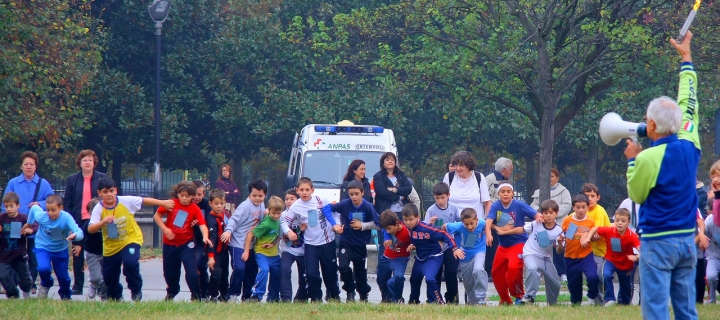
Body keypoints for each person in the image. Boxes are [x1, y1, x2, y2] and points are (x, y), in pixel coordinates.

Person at [624, 31, 699, 319]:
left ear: (652, 124)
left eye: (646, 120)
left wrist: (632, 161)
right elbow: (689, 101)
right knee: (686, 310)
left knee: (655, 310)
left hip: (657, 241)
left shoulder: (647, 157)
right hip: (685, 240)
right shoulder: (691, 144)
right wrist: (686, 59)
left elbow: (637, 195)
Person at [89, 177, 175, 301]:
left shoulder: (126, 201)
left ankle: (136, 290)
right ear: (99, 193)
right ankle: (116, 296)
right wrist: (103, 222)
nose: (109, 194)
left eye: (111, 191)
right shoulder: (98, 208)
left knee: (130, 263)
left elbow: (145, 200)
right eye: (105, 192)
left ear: (116, 191)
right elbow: (91, 229)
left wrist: (163, 203)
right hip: (111, 246)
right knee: (109, 277)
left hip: (130, 239)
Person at [2, 151, 54, 294]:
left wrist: (41, 204)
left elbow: (52, 200)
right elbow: (5, 202)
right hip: (15, 224)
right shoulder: (13, 182)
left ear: (36, 166)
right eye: (26, 164)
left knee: (33, 255)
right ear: (21, 166)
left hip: (34, 225)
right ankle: (11, 283)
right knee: (12, 253)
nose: (29, 167)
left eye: (32, 164)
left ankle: (30, 284)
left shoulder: (43, 183)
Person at [282, 177, 341, 302]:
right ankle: (316, 297)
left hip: (327, 241)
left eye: (307, 190)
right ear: (297, 190)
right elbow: (284, 222)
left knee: (330, 272)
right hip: (310, 245)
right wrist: (289, 231)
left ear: (312, 190)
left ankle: (333, 296)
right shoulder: (295, 206)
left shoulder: (321, 200)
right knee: (311, 273)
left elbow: (335, 212)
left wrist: (337, 224)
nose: (304, 192)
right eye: (301, 190)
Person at [484, 181, 542, 305]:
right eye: (503, 192)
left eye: (508, 192)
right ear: (498, 193)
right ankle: (505, 300)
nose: (505, 194)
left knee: (514, 268)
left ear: (513, 194)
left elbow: (537, 215)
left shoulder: (519, 205)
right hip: (503, 246)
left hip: (518, 243)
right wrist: (488, 233)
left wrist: (540, 220)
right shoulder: (496, 205)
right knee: (496, 273)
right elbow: (489, 220)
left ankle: (519, 296)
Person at [323, 180, 380, 302]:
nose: (354, 197)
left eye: (356, 194)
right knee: (343, 267)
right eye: (351, 194)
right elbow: (327, 209)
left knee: (360, 273)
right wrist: (335, 224)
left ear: (362, 193)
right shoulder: (345, 204)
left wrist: (363, 226)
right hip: (346, 241)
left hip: (360, 244)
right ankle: (350, 290)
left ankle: (363, 294)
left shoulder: (368, 206)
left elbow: (379, 224)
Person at [154, 181, 211, 301]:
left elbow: (202, 225)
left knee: (193, 273)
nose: (184, 198)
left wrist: (205, 236)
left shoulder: (195, 208)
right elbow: (156, 216)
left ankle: (196, 296)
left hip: (187, 245)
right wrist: (165, 229)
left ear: (192, 196)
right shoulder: (171, 204)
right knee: (170, 274)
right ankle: (172, 291)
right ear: (177, 194)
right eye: (182, 195)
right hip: (169, 245)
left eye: (187, 196)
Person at [62, 149, 108, 295]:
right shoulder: (72, 180)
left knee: (98, 251)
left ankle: (101, 283)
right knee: (77, 252)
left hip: (96, 220)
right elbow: (67, 202)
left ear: (94, 162)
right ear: (79, 163)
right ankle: (78, 285)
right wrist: (69, 222)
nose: (87, 162)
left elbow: (107, 198)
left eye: (90, 160)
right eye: (84, 160)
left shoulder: (102, 178)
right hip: (77, 220)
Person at [442, 151, 492, 279]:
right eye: (456, 165)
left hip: (473, 227)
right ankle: (456, 295)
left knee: (471, 262)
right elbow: (443, 199)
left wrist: (487, 227)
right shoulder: (449, 177)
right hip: (456, 226)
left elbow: (487, 203)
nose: (457, 168)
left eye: (461, 165)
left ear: (469, 165)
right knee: (455, 263)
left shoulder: (479, 177)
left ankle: (475, 295)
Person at [22, 195, 83, 299]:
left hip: (60, 249)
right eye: (48, 210)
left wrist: (75, 236)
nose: (50, 213)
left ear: (61, 208)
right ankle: (46, 283)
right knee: (43, 268)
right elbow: (34, 208)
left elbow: (80, 232)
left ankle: (65, 295)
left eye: (53, 210)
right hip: (43, 246)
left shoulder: (66, 218)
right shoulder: (42, 216)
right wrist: (29, 223)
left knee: (64, 278)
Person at [405, 203, 462, 305]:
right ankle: (413, 301)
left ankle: (438, 301)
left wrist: (454, 248)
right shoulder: (408, 228)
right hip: (420, 258)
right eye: (405, 220)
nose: (408, 222)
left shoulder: (426, 228)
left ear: (417, 217)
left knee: (430, 278)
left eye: (410, 219)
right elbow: (417, 238)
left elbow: (445, 234)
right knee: (414, 278)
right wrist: (413, 244)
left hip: (433, 257)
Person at [220, 180, 267, 303]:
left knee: (252, 270)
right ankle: (233, 294)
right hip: (237, 243)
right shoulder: (245, 206)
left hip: (251, 244)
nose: (257, 198)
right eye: (254, 196)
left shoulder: (262, 205)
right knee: (240, 268)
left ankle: (247, 296)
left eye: (260, 196)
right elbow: (233, 220)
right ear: (249, 195)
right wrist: (228, 231)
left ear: (265, 196)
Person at [583, 208, 640, 306]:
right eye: (617, 220)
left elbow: (642, 250)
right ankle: (609, 299)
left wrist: (637, 257)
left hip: (626, 263)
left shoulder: (632, 236)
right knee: (605, 275)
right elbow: (595, 228)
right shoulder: (609, 230)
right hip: (611, 260)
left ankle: (624, 303)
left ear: (629, 222)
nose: (619, 223)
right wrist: (588, 237)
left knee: (625, 289)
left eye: (623, 221)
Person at [530, 168, 572, 282]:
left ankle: (561, 272)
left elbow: (567, 205)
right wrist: (540, 214)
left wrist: (553, 213)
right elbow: (533, 205)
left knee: (559, 248)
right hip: (543, 225)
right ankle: (542, 272)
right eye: (547, 177)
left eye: (552, 176)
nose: (550, 179)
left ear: (557, 178)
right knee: (544, 247)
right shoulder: (539, 191)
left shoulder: (564, 191)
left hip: (558, 224)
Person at [520, 199, 564, 305]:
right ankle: (530, 296)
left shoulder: (559, 230)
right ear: (542, 213)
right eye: (545, 213)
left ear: (556, 213)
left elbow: (559, 251)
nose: (548, 215)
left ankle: (552, 304)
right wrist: (505, 231)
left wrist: (560, 242)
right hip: (530, 253)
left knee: (556, 284)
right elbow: (522, 229)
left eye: (551, 213)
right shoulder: (536, 223)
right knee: (532, 268)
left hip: (545, 257)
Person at [424, 182, 462, 304]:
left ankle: (452, 298)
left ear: (448, 195)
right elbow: (424, 228)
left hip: (450, 246)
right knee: (435, 274)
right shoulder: (431, 210)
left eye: (442, 197)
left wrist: (450, 227)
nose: (440, 200)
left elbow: (461, 223)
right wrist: (430, 223)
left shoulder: (454, 209)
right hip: (436, 247)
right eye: (437, 198)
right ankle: (435, 299)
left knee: (451, 272)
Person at [442, 208, 488, 306]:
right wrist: (454, 247)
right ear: (462, 222)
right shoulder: (458, 226)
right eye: (466, 224)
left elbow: (488, 225)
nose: (470, 227)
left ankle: (481, 298)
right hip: (464, 254)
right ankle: (472, 302)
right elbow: (444, 227)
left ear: (476, 220)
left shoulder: (482, 223)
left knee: (478, 269)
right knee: (468, 282)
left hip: (479, 250)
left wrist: (489, 234)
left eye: (472, 223)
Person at [372, 152, 412, 262]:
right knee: (385, 240)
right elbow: (381, 191)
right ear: (383, 163)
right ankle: (383, 266)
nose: (390, 161)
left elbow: (408, 189)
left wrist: (395, 190)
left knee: (401, 240)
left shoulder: (400, 175)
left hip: (400, 213)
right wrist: (397, 197)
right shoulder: (378, 176)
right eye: (387, 159)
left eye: (392, 159)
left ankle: (399, 264)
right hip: (385, 213)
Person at [562, 193, 600, 305]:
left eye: (583, 207)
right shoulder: (567, 220)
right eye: (578, 207)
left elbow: (593, 238)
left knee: (593, 276)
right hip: (570, 256)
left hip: (586, 255)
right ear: (573, 207)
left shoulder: (591, 221)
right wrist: (582, 235)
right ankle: (576, 303)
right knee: (573, 284)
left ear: (588, 207)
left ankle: (592, 295)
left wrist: (594, 238)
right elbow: (567, 236)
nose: (581, 210)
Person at [244, 196, 283, 302]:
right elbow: (250, 234)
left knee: (277, 273)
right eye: (273, 213)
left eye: (278, 213)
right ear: (269, 210)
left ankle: (273, 297)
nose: (276, 216)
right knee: (264, 270)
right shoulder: (265, 224)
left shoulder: (280, 220)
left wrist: (273, 243)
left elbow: (280, 235)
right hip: (262, 253)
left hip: (274, 254)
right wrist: (246, 251)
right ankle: (257, 294)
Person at [0, 192, 35, 298]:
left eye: (11, 206)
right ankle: (13, 294)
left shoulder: (24, 218)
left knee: (24, 278)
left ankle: (26, 291)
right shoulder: (2, 218)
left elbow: (36, 225)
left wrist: (30, 230)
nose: (9, 209)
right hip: (4, 255)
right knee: (3, 276)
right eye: (6, 207)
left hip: (20, 254)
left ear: (18, 205)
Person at [581, 183, 611, 301]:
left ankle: (604, 300)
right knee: (591, 276)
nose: (589, 198)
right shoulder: (581, 210)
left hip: (601, 251)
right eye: (587, 195)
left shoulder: (599, 211)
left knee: (599, 276)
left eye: (592, 195)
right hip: (585, 252)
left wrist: (584, 234)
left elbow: (596, 235)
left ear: (598, 197)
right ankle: (596, 302)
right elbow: (571, 228)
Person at [279, 188, 307, 303]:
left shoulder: (304, 214)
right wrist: (285, 234)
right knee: (284, 269)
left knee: (305, 274)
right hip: (287, 249)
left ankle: (301, 297)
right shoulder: (283, 215)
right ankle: (286, 297)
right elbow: (280, 232)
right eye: (286, 199)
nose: (289, 201)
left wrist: (303, 230)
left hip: (303, 250)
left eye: (292, 199)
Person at [377, 209, 411, 303]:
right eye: (386, 229)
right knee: (381, 279)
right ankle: (386, 300)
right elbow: (383, 228)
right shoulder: (388, 230)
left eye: (389, 228)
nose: (388, 231)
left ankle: (398, 298)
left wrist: (413, 245)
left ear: (397, 223)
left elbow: (415, 240)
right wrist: (387, 237)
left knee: (398, 277)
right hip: (387, 257)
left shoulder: (406, 232)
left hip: (400, 258)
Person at [205, 189, 231, 302]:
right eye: (216, 204)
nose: (219, 206)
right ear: (210, 203)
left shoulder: (224, 216)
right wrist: (211, 256)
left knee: (225, 273)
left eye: (221, 203)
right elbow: (212, 238)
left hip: (224, 251)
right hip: (214, 252)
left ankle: (224, 294)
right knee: (216, 274)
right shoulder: (210, 219)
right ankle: (213, 295)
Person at [80, 197, 106, 300]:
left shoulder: (107, 223)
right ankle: (94, 285)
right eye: (91, 212)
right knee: (96, 277)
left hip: (106, 252)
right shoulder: (88, 224)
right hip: (92, 252)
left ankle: (104, 293)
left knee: (106, 276)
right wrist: (77, 244)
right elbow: (81, 234)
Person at [191, 180, 213, 300]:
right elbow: (179, 223)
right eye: (194, 194)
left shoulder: (206, 206)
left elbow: (211, 221)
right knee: (192, 269)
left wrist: (200, 222)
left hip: (202, 242)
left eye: (199, 194)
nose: (196, 197)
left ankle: (204, 292)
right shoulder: (186, 205)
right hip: (189, 241)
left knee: (200, 265)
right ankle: (195, 293)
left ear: (203, 194)